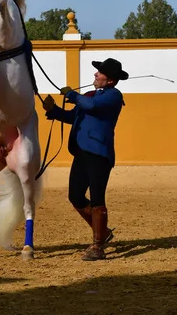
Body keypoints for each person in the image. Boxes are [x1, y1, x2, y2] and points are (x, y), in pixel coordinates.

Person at [42, 58, 128, 261]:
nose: (96, 75)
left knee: (98, 198)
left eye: (100, 73)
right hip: (81, 152)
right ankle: (104, 232)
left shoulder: (114, 96)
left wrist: (72, 94)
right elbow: (74, 117)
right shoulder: (90, 96)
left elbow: (90, 106)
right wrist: (52, 110)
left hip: (99, 154)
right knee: (75, 196)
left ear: (111, 81)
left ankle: (98, 246)